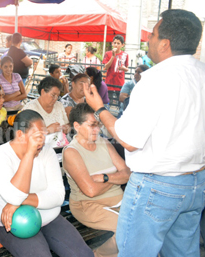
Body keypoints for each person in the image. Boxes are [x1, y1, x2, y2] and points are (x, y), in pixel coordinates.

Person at [83, 9, 205, 257]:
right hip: (196, 183)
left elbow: (128, 139)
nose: (147, 39)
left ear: (165, 44)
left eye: (152, 34)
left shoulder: (155, 79)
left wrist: (100, 109)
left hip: (157, 185)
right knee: (183, 252)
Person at [0, 110, 93, 257]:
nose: (42, 141)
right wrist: (29, 154)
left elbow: (58, 196)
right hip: (16, 226)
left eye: (44, 135)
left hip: (50, 218)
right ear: (20, 135)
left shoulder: (47, 151)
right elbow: (12, 195)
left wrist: (17, 203)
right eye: (37, 137)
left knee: (83, 254)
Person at [62, 103, 130, 257]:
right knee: (128, 230)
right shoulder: (72, 152)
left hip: (119, 201)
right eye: (92, 125)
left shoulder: (103, 143)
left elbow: (128, 173)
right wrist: (115, 179)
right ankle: (97, 255)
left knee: (144, 228)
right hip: (89, 206)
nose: (97, 129)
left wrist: (104, 178)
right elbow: (90, 191)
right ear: (77, 126)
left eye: (98, 125)